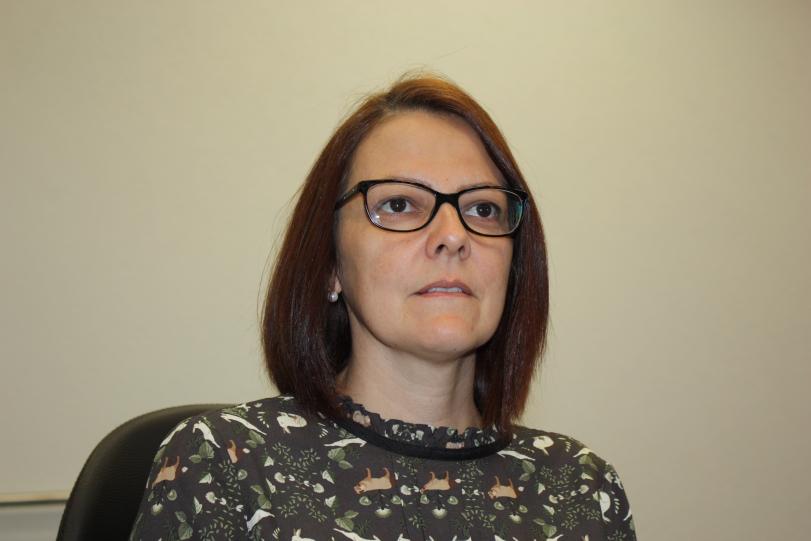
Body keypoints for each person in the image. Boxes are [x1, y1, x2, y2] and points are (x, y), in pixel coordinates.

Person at [129, 73, 637, 540]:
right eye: (398, 204)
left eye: (482, 208)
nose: (453, 235)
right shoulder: (227, 462)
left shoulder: (582, 488)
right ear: (330, 264)